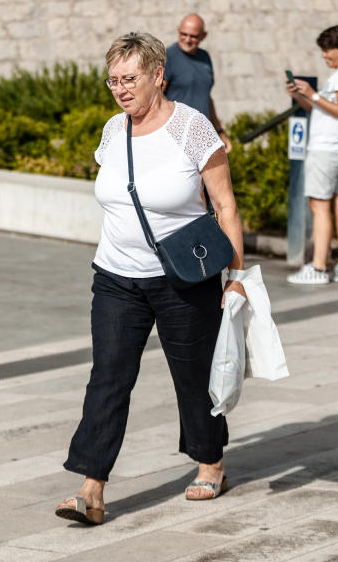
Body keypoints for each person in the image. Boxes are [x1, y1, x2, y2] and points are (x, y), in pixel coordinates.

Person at [55, 32, 248, 525]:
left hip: (182, 278)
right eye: (113, 80)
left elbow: (224, 205)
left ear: (158, 76)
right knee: (109, 377)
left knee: (192, 374)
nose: (120, 89)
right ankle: (91, 489)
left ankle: (211, 463)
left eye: (130, 78)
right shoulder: (112, 131)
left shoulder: (192, 128)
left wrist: (236, 276)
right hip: (116, 277)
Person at [285, 25, 338, 286]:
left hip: (328, 150)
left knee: (320, 207)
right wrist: (301, 96)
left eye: (328, 50)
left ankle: (317, 268)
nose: (324, 55)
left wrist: (314, 94)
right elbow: (321, 110)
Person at [163, 14, 233, 153]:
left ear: (203, 36)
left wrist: (219, 131)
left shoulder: (205, 57)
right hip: (175, 139)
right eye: (184, 34)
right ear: (178, 31)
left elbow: (206, 97)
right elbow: (155, 97)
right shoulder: (168, 57)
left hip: (202, 139)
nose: (187, 40)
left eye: (193, 36)